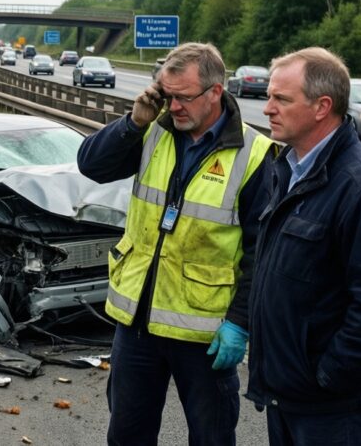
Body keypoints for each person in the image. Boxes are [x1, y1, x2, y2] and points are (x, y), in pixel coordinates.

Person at [78, 42, 274, 446]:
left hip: (205, 332)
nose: (174, 107)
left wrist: (240, 322)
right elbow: (91, 165)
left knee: (211, 437)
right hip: (138, 322)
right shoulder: (153, 128)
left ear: (215, 92)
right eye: (166, 96)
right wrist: (133, 122)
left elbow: (262, 250)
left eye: (183, 97)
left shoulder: (254, 155)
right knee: (128, 434)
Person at [246, 47, 361, 445]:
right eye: (269, 96)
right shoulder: (286, 168)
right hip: (288, 394)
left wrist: (329, 376)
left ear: (322, 106)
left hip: (332, 407)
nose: (267, 108)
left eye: (281, 99)